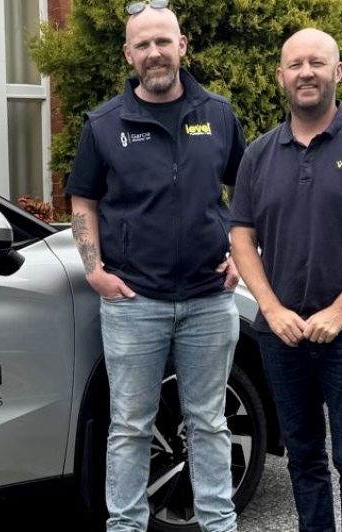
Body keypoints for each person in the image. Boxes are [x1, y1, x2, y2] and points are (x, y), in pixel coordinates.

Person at [64, 2, 246, 531]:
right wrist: (94, 270)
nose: (154, 53)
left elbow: (248, 195)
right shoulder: (103, 124)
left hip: (209, 299)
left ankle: (219, 525)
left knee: (209, 423)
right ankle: (125, 526)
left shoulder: (218, 114)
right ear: (128, 54)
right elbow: (83, 202)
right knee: (129, 427)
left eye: (163, 41)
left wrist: (241, 254)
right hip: (133, 302)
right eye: (142, 44)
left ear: (182, 45)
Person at [230, 28, 342, 532]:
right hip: (281, 335)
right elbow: (241, 238)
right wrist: (270, 308)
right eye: (295, 64)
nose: (305, 72)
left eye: (316, 62)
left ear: (338, 72)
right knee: (304, 459)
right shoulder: (258, 156)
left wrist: (339, 311)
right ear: (280, 76)